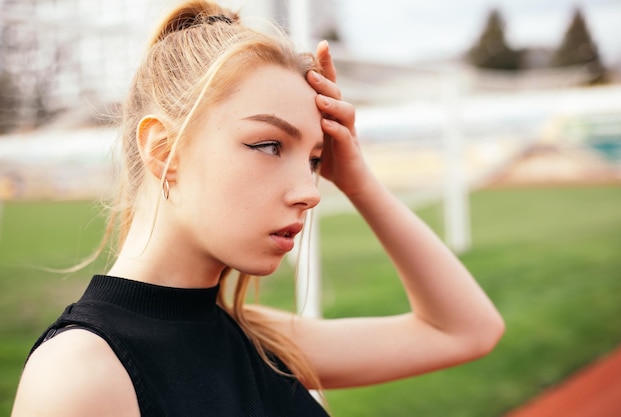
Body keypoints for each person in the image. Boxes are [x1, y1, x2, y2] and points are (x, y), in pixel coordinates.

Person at [11, 1, 504, 416]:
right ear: (163, 151)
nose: (310, 191)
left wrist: (357, 179)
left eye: (314, 159)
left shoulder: (261, 341)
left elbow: (466, 331)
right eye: (269, 145)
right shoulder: (79, 374)